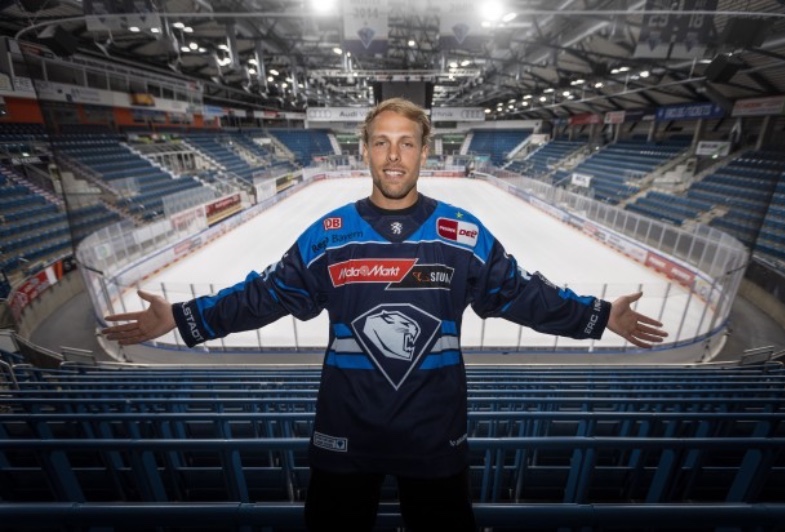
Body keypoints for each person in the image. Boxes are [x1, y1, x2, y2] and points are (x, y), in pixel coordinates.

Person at [102, 97, 668, 531]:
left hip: (434, 437)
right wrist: (182, 316)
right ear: (365, 151)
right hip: (343, 437)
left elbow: (520, 293)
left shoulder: (462, 233)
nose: (393, 156)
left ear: (425, 152)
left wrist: (599, 316)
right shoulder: (329, 235)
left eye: (406, 143)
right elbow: (265, 295)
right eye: (381, 142)